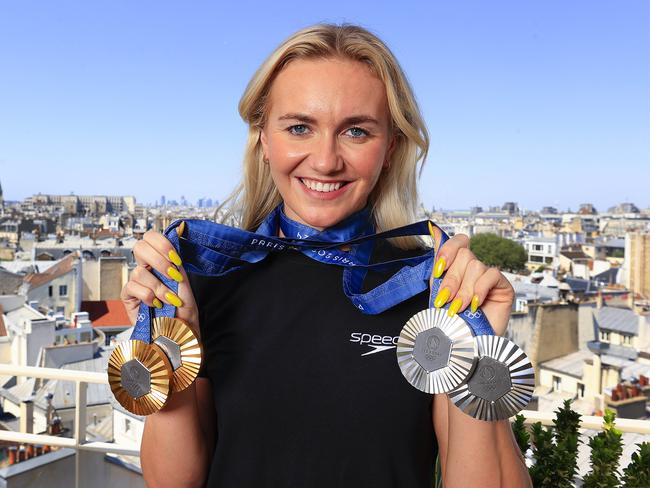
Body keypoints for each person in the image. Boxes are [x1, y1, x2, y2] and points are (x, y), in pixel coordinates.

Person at [120, 23, 532, 488]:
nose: (325, 160)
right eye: (299, 127)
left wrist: (479, 350)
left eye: (356, 131)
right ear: (263, 137)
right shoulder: (207, 284)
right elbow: (175, 483)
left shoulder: (432, 288)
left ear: (391, 146)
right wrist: (173, 343)